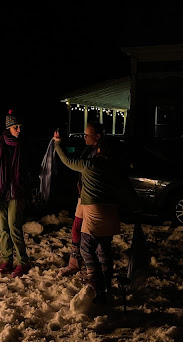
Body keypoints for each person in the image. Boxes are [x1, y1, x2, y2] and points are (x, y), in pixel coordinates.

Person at [53, 129, 131, 304]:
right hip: (112, 213)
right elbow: (127, 190)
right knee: (104, 248)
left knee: (87, 248)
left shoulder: (90, 165)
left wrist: (57, 144)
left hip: (95, 211)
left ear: (100, 149)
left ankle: (97, 286)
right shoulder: (117, 168)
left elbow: (67, 160)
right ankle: (107, 284)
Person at [0, 110, 31, 278]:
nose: (19, 130)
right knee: (3, 228)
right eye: (15, 127)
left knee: (14, 227)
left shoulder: (22, 146)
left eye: (20, 127)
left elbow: (28, 172)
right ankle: (7, 260)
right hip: (0, 193)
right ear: (8, 128)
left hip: (16, 193)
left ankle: (22, 262)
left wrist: (27, 190)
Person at [58, 121, 105, 277]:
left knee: (91, 236)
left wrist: (57, 145)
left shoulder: (99, 155)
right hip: (84, 196)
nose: (84, 137)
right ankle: (75, 263)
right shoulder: (88, 151)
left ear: (97, 136)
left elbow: (70, 162)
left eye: (87, 134)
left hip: (93, 200)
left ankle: (94, 270)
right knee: (77, 229)